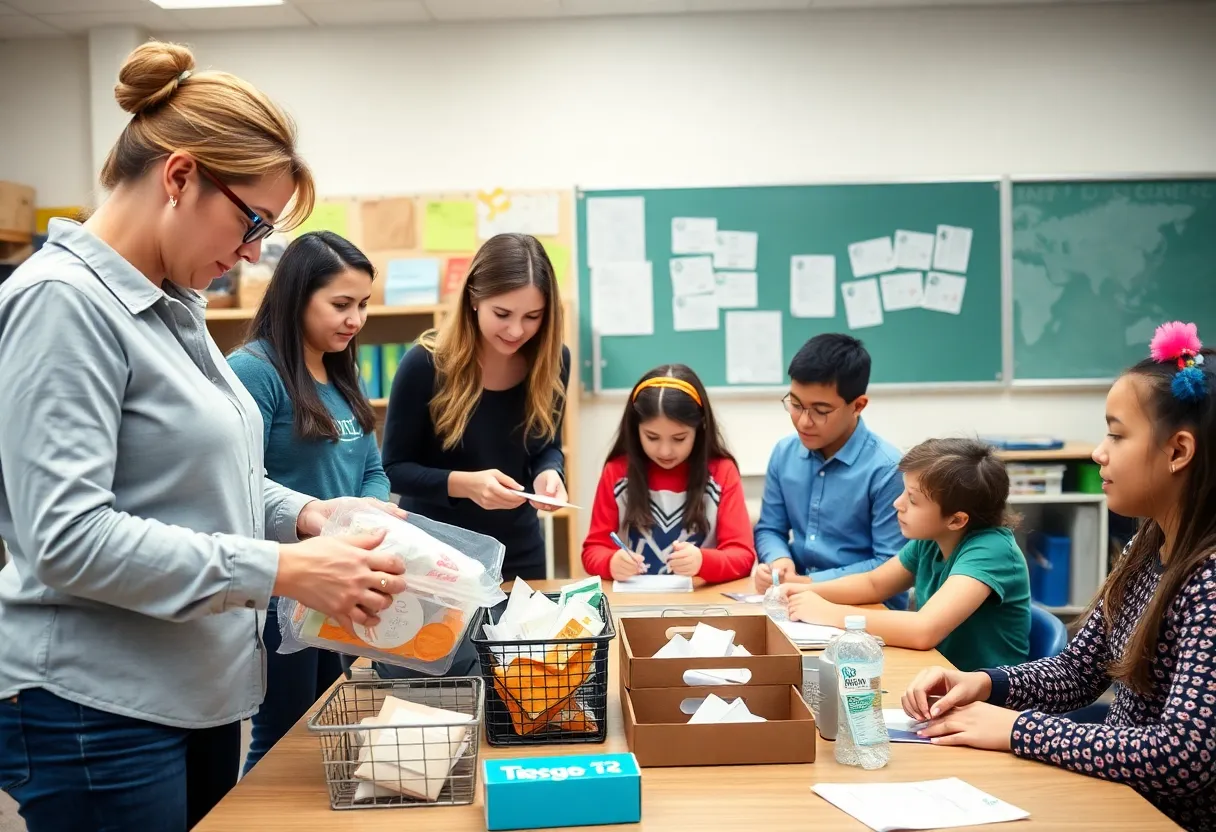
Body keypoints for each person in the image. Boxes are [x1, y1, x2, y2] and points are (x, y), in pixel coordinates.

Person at [0, 42, 407, 832]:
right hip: (95, 704)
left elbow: (212, 480)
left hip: (196, 689)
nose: (255, 252)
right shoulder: (62, 303)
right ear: (180, 176)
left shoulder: (173, 304)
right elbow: (66, 537)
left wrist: (311, 517)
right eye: (252, 221)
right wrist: (284, 567)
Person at [902, 321, 1216, 832]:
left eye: (1116, 434)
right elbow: (1080, 671)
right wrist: (984, 684)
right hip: (1119, 798)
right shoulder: (1147, 543)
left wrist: (1019, 730)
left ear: (1178, 452)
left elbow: (1182, 755)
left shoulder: (1209, 582)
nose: (1099, 452)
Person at [227, 231, 391, 774]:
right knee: (281, 734)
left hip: (340, 578)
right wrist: (335, 519)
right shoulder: (255, 370)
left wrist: (363, 515)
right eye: (341, 304)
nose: (355, 320)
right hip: (284, 584)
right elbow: (240, 479)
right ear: (298, 296)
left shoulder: (342, 369)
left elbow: (372, 469)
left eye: (363, 305)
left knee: (327, 717)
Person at [379, 232, 569, 676]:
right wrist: (467, 485)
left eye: (533, 317)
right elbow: (396, 470)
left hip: (518, 553)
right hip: (437, 560)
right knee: (443, 688)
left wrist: (549, 474)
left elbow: (545, 446)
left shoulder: (552, 359)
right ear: (473, 301)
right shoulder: (425, 364)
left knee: (520, 686)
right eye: (502, 314)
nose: (517, 330)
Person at [781, 437, 1030, 671]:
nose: (897, 504)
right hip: (939, 676)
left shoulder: (992, 551)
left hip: (986, 700)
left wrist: (828, 612)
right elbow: (874, 583)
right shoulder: (933, 538)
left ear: (956, 519)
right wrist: (803, 589)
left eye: (912, 499)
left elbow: (923, 630)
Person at [752, 333, 907, 608]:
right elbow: (769, 529)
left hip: (867, 610)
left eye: (820, 410)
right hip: (797, 602)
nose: (803, 421)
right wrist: (779, 560)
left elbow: (890, 567)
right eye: (796, 404)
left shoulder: (887, 469)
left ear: (858, 406)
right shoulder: (784, 453)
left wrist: (810, 584)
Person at [581, 365, 756, 583]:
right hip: (633, 606)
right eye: (652, 437)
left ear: (700, 427)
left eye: (679, 438)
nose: (665, 451)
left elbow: (743, 557)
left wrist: (703, 561)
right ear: (635, 429)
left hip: (700, 606)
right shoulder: (617, 471)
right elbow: (593, 550)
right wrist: (610, 562)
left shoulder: (722, 472)